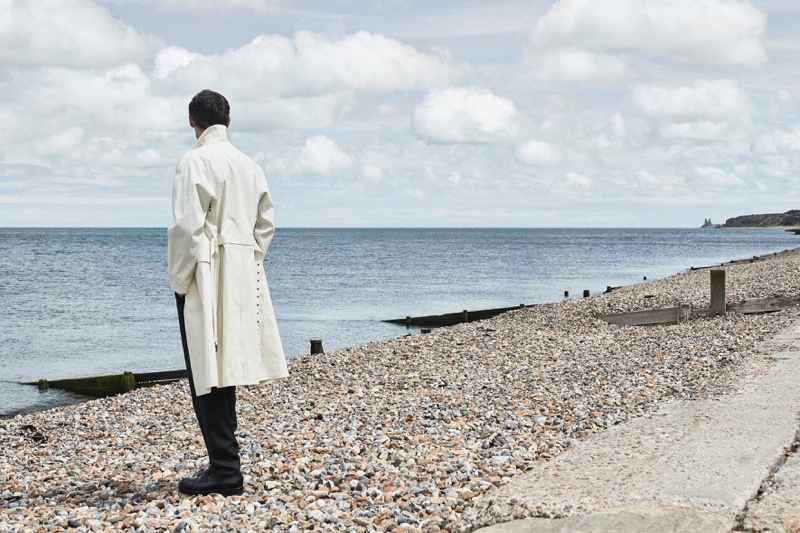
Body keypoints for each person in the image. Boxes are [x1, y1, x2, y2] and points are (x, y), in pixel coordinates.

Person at [168, 89, 288, 496]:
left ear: (192, 122)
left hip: (207, 269)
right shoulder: (249, 164)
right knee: (228, 366)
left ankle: (224, 469)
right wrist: (249, 257)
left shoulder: (194, 160)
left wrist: (181, 281)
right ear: (228, 121)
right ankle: (225, 463)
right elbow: (266, 222)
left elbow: (186, 227)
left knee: (206, 371)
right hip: (243, 270)